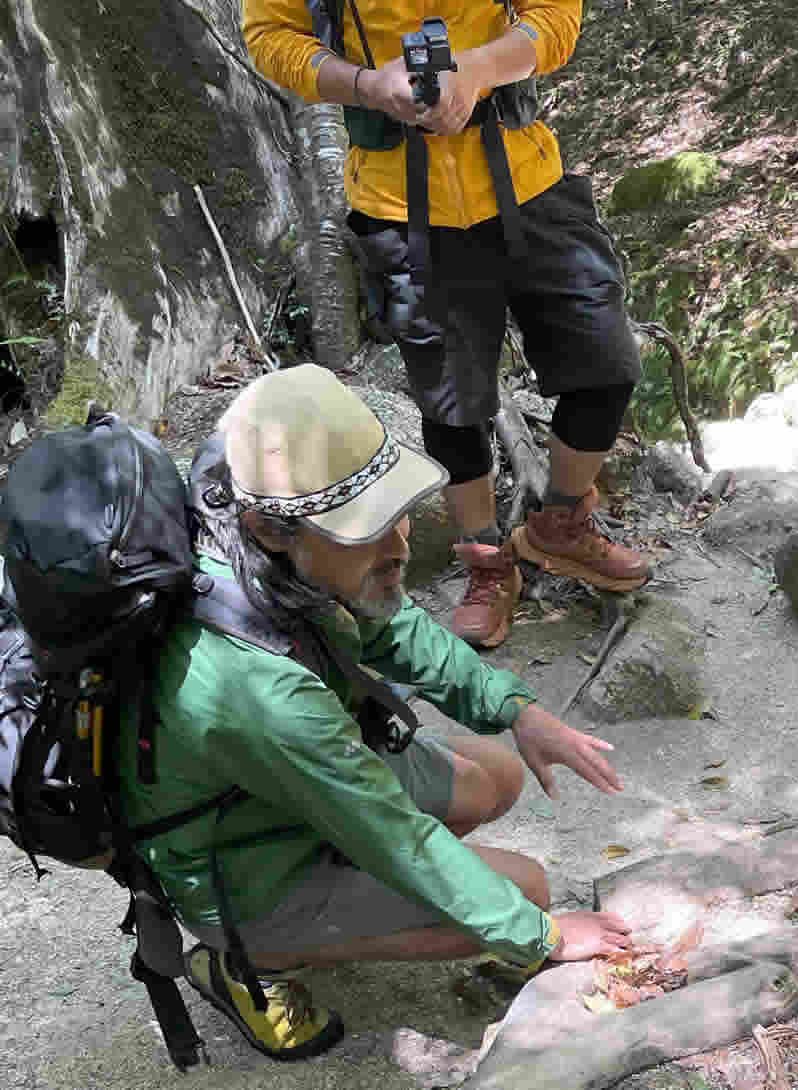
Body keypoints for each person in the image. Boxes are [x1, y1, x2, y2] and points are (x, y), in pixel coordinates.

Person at [121, 365, 633, 1061]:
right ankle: (247, 964)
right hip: (234, 866)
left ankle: (332, 904)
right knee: (530, 894)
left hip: (274, 794)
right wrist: (541, 937)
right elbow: (394, 838)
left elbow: (391, 625)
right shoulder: (254, 687)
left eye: (396, 516)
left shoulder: (249, 523)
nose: (399, 546)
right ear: (269, 530)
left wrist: (515, 709)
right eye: (367, 531)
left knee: (495, 775)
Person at [243, 0, 651, 653]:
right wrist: (368, 85)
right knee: (452, 404)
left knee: (606, 362)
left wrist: (478, 71)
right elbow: (270, 37)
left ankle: (560, 528)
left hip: (527, 176)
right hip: (400, 200)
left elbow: (555, 17)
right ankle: (488, 568)